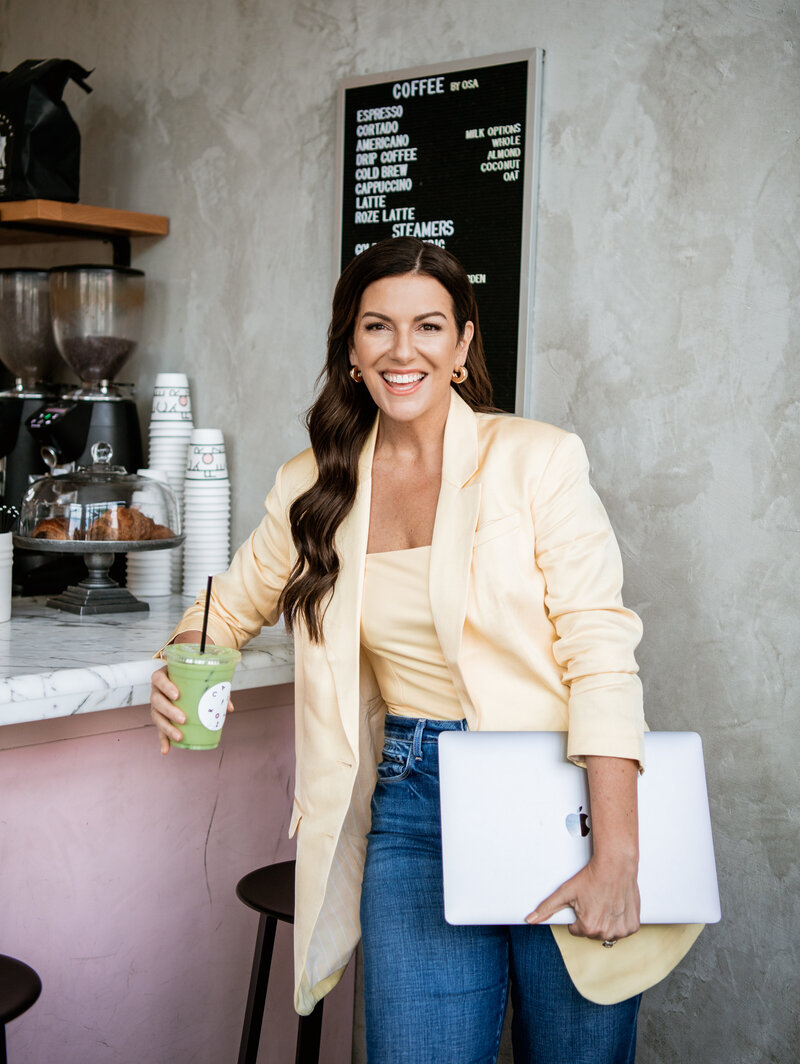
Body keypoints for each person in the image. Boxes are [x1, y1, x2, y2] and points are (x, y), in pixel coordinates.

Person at [151, 238, 701, 1064]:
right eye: (378, 327)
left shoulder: (537, 461)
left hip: (560, 793)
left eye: (429, 327)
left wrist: (616, 853)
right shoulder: (314, 484)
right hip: (412, 806)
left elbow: (600, 652)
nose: (402, 351)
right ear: (351, 348)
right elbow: (222, 611)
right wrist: (179, 669)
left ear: (463, 345)